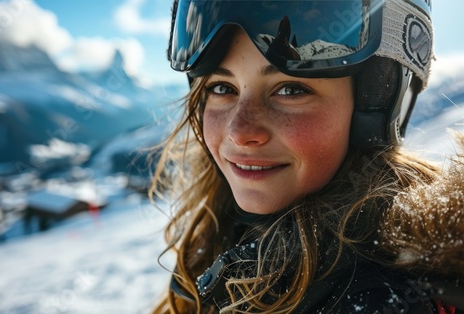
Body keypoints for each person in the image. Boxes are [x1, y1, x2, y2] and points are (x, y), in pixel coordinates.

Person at [150, 0, 464, 312]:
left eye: (290, 90)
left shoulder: (381, 298)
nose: (239, 132)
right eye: (222, 88)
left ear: (376, 106)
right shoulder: (224, 234)